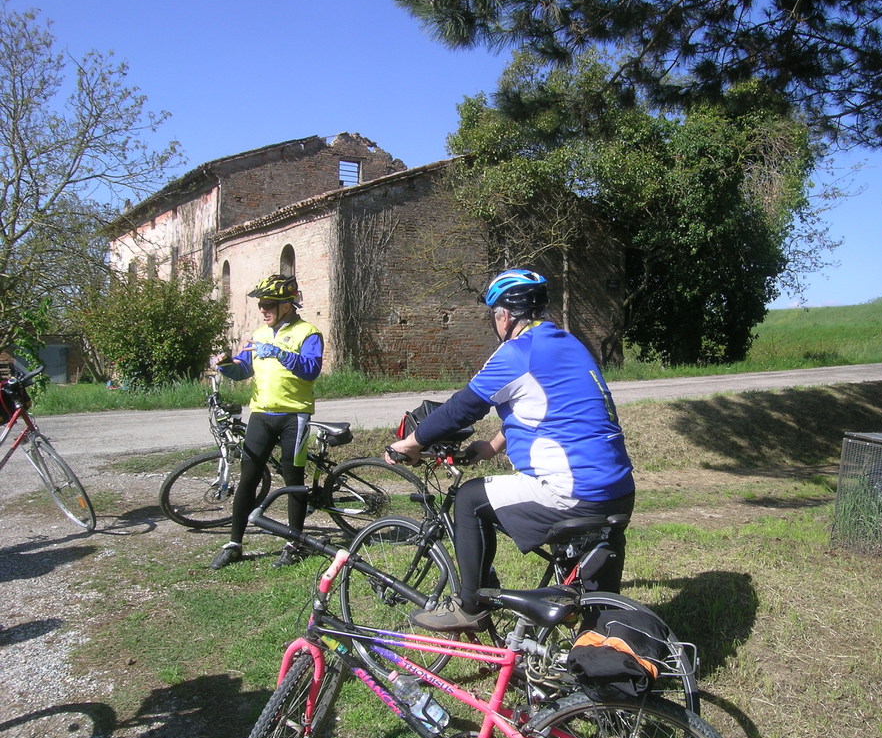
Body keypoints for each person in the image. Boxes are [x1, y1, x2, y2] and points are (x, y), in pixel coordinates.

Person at [385, 268, 635, 631]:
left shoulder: (516, 353)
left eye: (494, 314)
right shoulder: (568, 344)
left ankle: (470, 608)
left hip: (572, 492)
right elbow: (548, 408)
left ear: (504, 314)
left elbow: (463, 408)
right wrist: (491, 446)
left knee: (470, 498)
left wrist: (410, 443)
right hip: (617, 490)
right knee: (597, 618)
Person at [209, 274, 324, 570]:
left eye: (269, 303)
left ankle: (294, 543)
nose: (263, 308)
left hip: (293, 416)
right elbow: (243, 369)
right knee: (248, 478)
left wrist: (280, 353)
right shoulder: (259, 334)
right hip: (261, 414)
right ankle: (234, 543)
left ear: (287, 305)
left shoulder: (308, 332)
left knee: (293, 481)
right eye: (261, 304)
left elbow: (311, 370)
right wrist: (225, 366)